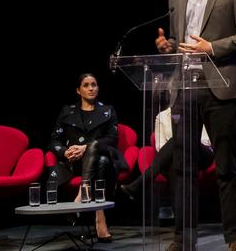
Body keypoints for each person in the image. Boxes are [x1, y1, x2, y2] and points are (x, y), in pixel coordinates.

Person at [156, 0, 236, 251]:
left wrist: (212, 46)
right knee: (182, 168)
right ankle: (182, 236)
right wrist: (167, 47)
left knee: (226, 167)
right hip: (185, 88)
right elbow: (179, 45)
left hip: (220, 86)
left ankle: (234, 237)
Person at [47, 73, 126, 243]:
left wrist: (86, 148)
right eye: (86, 85)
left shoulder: (107, 110)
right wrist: (65, 152)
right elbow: (54, 140)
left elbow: (112, 139)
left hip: (100, 160)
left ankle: (84, 196)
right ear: (78, 90)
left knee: (101, 158)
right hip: (73, 163)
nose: (91, 88)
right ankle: (100, 218)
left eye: (94, 84)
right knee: (101, 162)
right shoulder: (67, 112)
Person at [120, 106, 213, 205]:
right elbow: (160, 146)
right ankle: (180, 210)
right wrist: (179, 144)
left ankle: (139, 183)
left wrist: (184, 140)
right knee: (175, 147)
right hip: (175, 156)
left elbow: (206, 140)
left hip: (201, 154)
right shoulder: (162, 116)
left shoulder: (199, 112)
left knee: (176, 140)